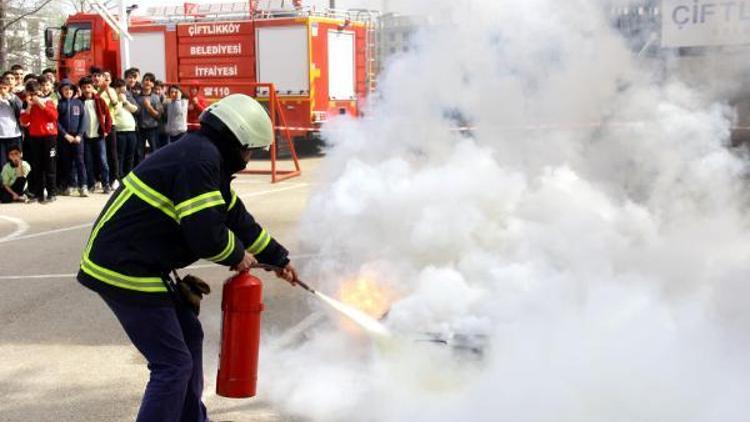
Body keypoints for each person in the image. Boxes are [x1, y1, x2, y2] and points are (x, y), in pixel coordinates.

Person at [77, 94, 298, 422]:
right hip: (124, 267)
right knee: (172, 365)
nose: (250, 158)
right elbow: (206, 236)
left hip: (144, 262)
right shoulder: (199, 160)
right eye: (251, 149)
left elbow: (236, 218)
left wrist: (278, 258)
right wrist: (237, 256)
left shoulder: (205, 155)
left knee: (190, 337)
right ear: (237, 140)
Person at [20, 80, 58, 203]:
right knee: (37, 167)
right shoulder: (28, 105)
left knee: (50, 166)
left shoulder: (47, 101)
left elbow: (53, 116)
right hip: (35, 137)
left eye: (35, 93)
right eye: (30, 94)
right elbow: (24, 121)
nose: (33, 96)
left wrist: (40, 104)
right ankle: (38, 194)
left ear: (40, 91)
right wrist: (30, 106)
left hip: (49, 137)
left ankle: (52, 193)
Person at [79, 77, 112, 194]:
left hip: (99, 136)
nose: (86, 90)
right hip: (86, 137)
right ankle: (91, 184)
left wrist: (106, 130)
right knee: (88, 161)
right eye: (84, 88)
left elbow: (108, 116)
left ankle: (106, 184)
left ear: (92, 87)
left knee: (103, 161)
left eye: (88, 87)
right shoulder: (79, 102)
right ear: (81, 89)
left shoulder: (99, 100)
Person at [57, 79, 88, 197]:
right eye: (65, 89)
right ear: (61, 91)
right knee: (67, 162)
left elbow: (84, 120)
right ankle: (71, 185)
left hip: (78, 138)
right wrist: (65, 135)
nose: (68, 91)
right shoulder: (59, 104)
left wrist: (79, 135)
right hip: (65, 138)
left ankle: (83, 185)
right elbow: (56, 122)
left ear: (74, 91)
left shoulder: (79, 103)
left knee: (80, 161)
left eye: (70, 89)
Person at [111, 78, 138, 178]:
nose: (121, 90)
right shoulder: (112, 100)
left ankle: (128, 175)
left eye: (123, 87)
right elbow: (114, 113)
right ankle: (119, 176)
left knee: (130, 155)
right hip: (119, 131)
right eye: (118, 87)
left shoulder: (127, 97)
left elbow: (135, 109)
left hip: (131, 130)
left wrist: (125, 101)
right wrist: (119, 102)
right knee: (120, 156)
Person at [135, 73, 163, 161]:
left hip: (153, 129)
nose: (148, 82)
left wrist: (149, 107)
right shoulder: (136, 97)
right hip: (140, 129)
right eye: (146, 80)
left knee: (155, 153)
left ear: (153, 84)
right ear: (142, 82)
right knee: (140, 153)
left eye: (151, 81)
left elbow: (159, 116)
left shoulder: (156, 98)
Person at [0, 77, 23, 169]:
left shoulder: (13, 97)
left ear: (9, 87)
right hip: (1, 136)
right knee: (2, 164)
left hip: (14, 135)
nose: (2, 90)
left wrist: (8, 97)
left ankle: (18, 182)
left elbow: (20, 109)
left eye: (4, 88)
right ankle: (4, 183)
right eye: (0, 88)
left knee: (16, 162)